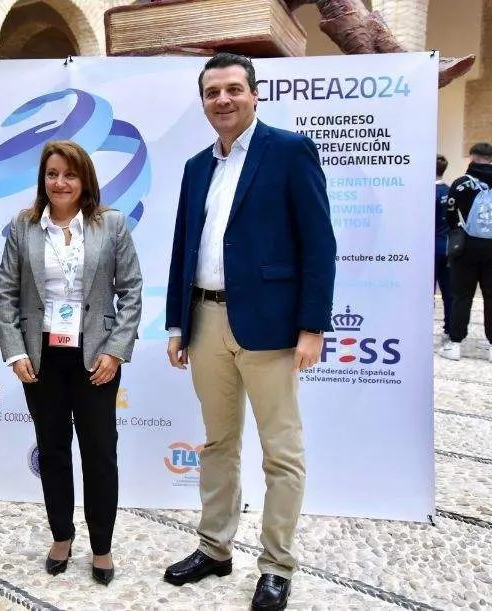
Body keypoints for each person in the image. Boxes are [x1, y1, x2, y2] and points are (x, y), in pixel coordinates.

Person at [162, 53, 336, 611]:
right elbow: (184, 249)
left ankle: (277, 565)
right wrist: (177, 322)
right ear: (204, 101)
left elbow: (319, 245)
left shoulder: (288, 151)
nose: (223, 100)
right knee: (217, 444)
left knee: (281, 452)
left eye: (234, 89)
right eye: (213, 92)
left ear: (254, 94)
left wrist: (312, 326)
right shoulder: (195, 166)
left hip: (273, 327)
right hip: (206, 319)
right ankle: (214, 548)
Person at [0, 140, 142, 586]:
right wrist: (15, 352)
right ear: (43, 179)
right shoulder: (24, 227)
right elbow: (6, 295)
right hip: (41, 357)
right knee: (53, 450)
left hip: (96, 355)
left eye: (69, 175)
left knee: (99, 452)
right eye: (52, 174)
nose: (60, 182)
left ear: (85, 180)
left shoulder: (110, 225)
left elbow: (131, 291)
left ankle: (102, 545)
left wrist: (115, 351)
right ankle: (61, 535)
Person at [438, 142, 492, 363]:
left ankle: (455, 344)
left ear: (472, 157)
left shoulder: (461, 183)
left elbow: (451, 216)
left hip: (466, 246)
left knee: (461, 294)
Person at [434, 155, 452, 337]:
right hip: (448, 245)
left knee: (426, 291)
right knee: (449, 291)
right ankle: (450, 327)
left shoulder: (426, 193)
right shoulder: (450, 191)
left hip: (430, 247)